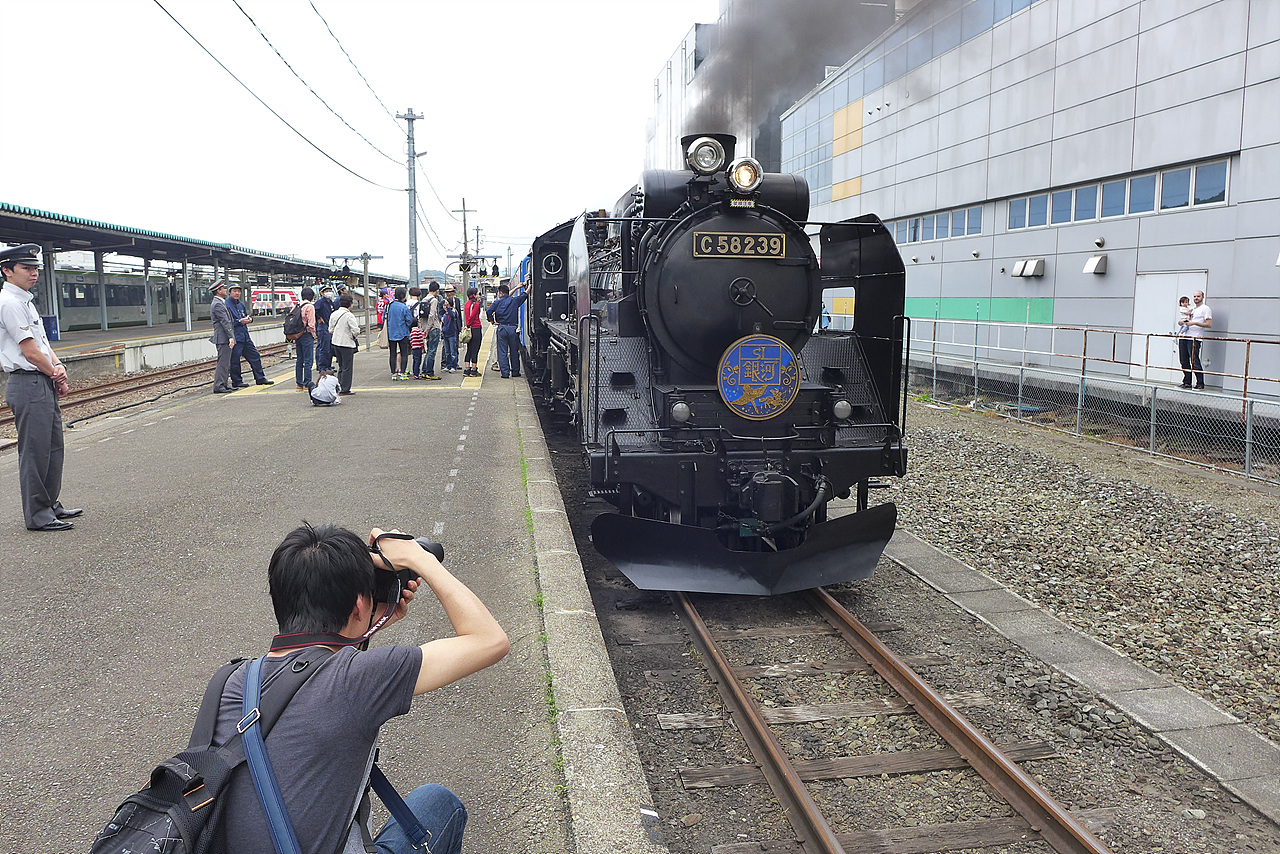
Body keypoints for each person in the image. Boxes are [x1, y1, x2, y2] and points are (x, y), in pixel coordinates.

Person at [208, 523, 509, 854]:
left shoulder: (231, 681)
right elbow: (489, 640)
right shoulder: (357, 680)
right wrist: (419, 559)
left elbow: (323, 675)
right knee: (439, 804)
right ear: (358, 606)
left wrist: (367, 623)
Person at [0, 243, 81, 531]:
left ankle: (50, 504)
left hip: (41, 380)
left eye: (35, 268)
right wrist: (56, 374)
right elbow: (30, 352)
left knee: (53, 447)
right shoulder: (9, 303)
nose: (33, 272)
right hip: (27, 382)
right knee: (35, 452)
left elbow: (44, 347)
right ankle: (37, 514)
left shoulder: (25, 301)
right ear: (7, 270)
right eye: (26, 268)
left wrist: (58, 368)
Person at [227, 285, 274, 388]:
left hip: (244, 336)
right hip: (235, 337)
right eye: (234, 291)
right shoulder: (227, 305)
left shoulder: (241, 304)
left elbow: (245, 316)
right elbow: (226, 322)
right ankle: (237, 381)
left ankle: (260, 378)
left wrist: (249, 319)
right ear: (229, 292)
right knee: (235, 360)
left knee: (255, 355)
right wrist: (239, 321)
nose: (237, 293)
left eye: (239, 291)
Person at [486, 282, 528, 378]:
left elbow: (489, 311)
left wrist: (492, 321)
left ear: (500, 293)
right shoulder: (514, 301)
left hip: (502, 328)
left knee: (502, 352)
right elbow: (525, 295)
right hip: (513, 328)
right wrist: (529, 287)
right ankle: (515, 372)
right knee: (514, 351)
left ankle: (505, 373)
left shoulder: (497, 302)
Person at [330, 292, 360, 395]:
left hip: (335, 343)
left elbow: (330, 329)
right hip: (346, 344)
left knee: (341, 366)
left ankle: (339, 386)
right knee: (347, 367)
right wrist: (353, 336)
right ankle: (345, 388)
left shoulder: (334, 314)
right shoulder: (349, 315)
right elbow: (356, 330)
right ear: (350, 304)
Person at [208, 281, 236, 394]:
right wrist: (231, 336)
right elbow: (225, 321)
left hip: (224, 337)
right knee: (223, 362)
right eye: (223, 288)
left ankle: (224, 384)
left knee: (226, 362)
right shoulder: (218, 304)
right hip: (223, 338)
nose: (225, 290)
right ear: (219, 291)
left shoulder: (219, 302)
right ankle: (219, 385)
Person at [1184, 289, 1213, 389]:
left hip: (1195, 338)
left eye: (1198, 296)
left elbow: (1209, 324)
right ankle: (1187, 382)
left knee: (1194, 361)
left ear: (1202, 297)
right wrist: (1182, 322)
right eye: (1195, 296)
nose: (1196, 298)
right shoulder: (1192, 309)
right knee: (1184, 361)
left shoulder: (1205, 309)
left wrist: (1195, 323)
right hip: (1185, 336)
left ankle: (1200, 383)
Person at [385, 286, 414, 380]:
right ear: (403, 296)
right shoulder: (404, 307)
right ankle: (402, 373)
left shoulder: (389, 306)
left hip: (391, 333)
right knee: (404, 353)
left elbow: (383, 319)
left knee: (392, 353)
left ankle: (393, 374)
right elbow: (409, 321)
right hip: (403, 333)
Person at [418, 281, 442, 381]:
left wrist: (423, 329)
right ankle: (429, 373)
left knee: (428, 351)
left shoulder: (424, 299)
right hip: (433, 328)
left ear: (428, 290)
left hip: (425, 328)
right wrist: (428, 329)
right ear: (437, 291)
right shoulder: (434, 300)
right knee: (432, 351)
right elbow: (432, 315)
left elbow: (421, 316)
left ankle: (424, 371)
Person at [295, 287, 317, 390]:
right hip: (307, 334)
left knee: (300, 359)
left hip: (298, 335)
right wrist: (314, 335)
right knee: (308, 360)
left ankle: (299, 384)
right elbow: (311, 324)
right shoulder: (310, 307)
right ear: (312, 297)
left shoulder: (297, 305)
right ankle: (307, 383)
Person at [462, 286, 484, 376]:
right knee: (475, 350)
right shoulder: (476, 305)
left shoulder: (466, 304)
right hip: (475, 328)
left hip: (469, 330)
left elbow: (468, 317)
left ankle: (467, 369)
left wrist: (467, 326)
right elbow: (473, 316)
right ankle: (474, 369)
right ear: (474, 295)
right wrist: (469, 324)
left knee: (469, 349)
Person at [440, 285, 462, 373]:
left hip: (454, 327)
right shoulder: (442, 302)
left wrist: (460, 327)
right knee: (446, 348)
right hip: (446, 328)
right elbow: (440, 313)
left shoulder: (457, 301)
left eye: (451, 291)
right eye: (447, 292)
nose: (449, 294)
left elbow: (458, 314)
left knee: (454, 347)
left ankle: (454, 364)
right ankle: (446, 364)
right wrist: (441, 317)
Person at [314, 283, 335, 372]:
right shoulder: (320, 302)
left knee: (329, 347)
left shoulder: (330, 302)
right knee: (324, 347)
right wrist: (319, 318)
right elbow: (315, 310)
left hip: (329, 326)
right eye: (326, 291)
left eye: (330, 291)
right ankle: (322, 367)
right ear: (322, 293)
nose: (329, 293)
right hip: (323, 327)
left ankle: (328, 365)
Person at [407, 286, 425, 378]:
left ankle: (404, 370)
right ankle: (416, 371)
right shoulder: (420, 304)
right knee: (417, 353)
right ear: (419, 295)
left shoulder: (406, 303)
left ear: (410, 294)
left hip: (407, 328)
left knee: (405, 350)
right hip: (416, 328)